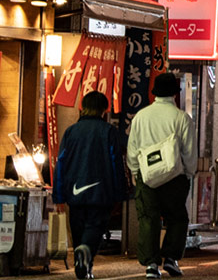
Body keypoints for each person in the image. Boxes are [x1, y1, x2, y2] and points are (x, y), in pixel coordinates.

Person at [56, 91, 128, 280]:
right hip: (101, 191)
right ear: (104, 109)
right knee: (95, 228)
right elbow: (116, 163)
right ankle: (86, 254)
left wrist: (59, 195)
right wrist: (120, 193)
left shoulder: (70, 132)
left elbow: (60, 164)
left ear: (83, 107)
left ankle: (84, 264)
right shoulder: (108, 131)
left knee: (79, 228)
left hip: (74, 191)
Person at [127, 72, 192, 279]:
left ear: (154, 92)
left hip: (147, 177)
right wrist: (188, 173)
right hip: (175, 177)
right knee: (177, 218)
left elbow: (132, 149)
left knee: (148, 218)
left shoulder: (141, 117)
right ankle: (171, 259)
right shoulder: (182, 118)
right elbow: (189, 152)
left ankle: (151, 265)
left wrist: (135, 171)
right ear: (175, 93)